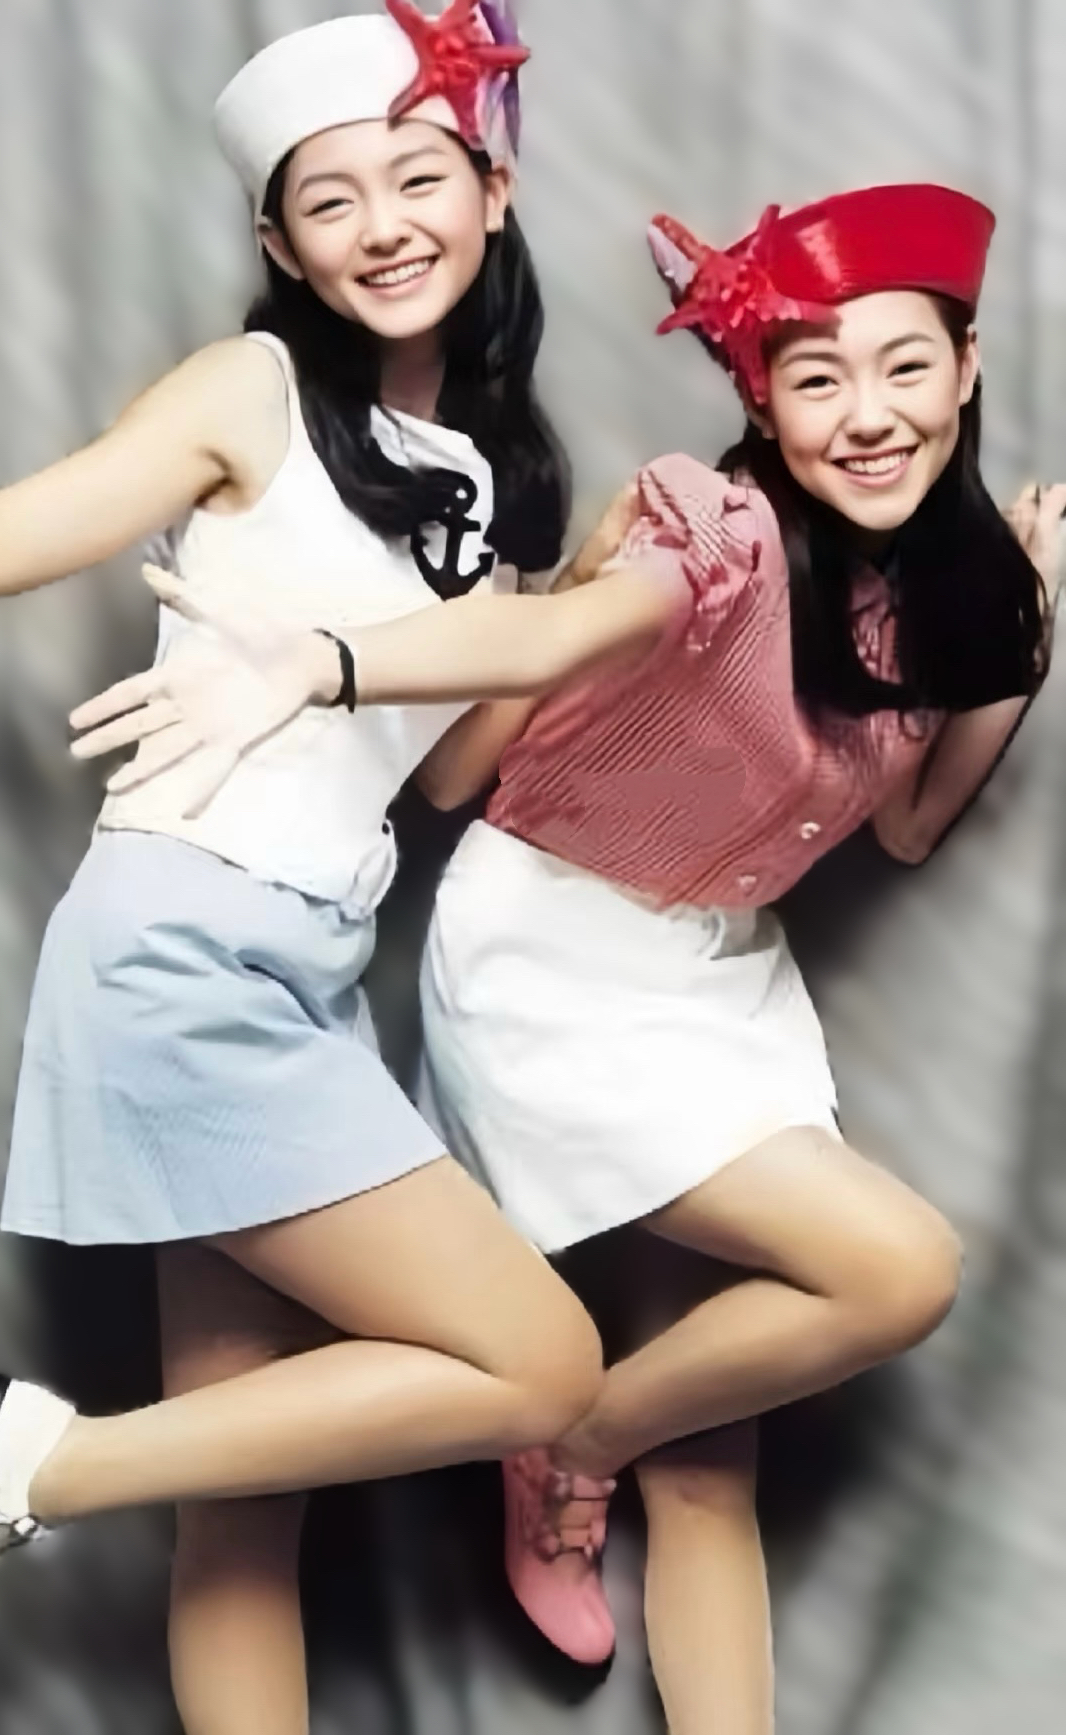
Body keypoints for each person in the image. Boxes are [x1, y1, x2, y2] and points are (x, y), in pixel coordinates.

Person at [0, 3, 629, 1703]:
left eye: (420, 178)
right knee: (542, 1366)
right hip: (182, 952)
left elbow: (447, 779)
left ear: (493, 193)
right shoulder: (251, 393)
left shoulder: (490, 479)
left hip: (309, 971)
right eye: (332, 199)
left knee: (242, 1523)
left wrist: (576, 604)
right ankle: (35, 1459)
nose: (385, 225)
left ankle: (40, 1464)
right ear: (280, 244)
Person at [74, 183, 1060, 1734]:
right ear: (763, 404)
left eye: (904, 368)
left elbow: (915, 824)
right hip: (552, 959)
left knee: (714, 1459)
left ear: (967, 369)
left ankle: (593, 1448)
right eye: (816, 379)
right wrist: (328, 664)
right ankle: (575, 1436)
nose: (868, 416)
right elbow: (537, 649)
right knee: (896, 1268)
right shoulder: (713, 530)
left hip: (723, 979)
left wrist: (1023, 629)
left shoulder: (941, 600)